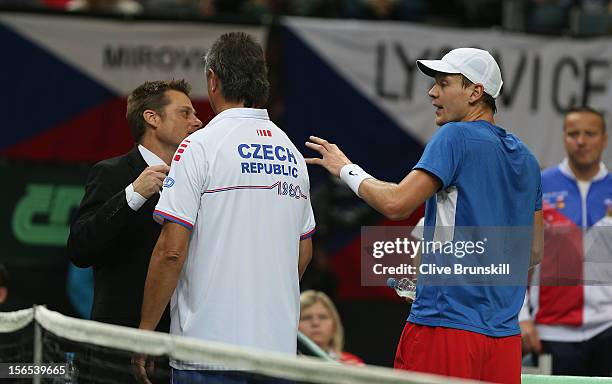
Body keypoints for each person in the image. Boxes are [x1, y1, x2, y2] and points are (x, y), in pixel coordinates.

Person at [305, 47, 543, 383]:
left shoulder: (454, 136)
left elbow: (397, 203)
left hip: (445, 326)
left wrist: (347, 170)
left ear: (476, 92)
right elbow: (532, 252)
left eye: (444, 83)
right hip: (503, 338)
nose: (432, 92)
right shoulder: (528, 160)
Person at [134, 32, 315, 383]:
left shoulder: (199, 147)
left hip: (207, 354)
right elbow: (303, 252)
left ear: (213, 80)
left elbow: (171, 251)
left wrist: (144, 331)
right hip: (277, 355)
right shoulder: (293, 154)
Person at [67, 79, 202, 381]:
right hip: (119, 348)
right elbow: (80, 248)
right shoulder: (111, 173)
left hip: (186, 343)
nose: (198, 120)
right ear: (152, 118)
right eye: (186, 113)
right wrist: (133, 194)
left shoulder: (201, 180)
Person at [520, 106, 612, 376]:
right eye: (573, 133)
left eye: (589, 133)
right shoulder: (539, 185)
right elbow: (514, 254)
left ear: (604, 138)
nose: (581, 140)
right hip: (551, 331)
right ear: (563, 137)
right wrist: (522, 317)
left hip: (608, 327)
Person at [299, 290, 363, 365]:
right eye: (307, 317)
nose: (315, 323)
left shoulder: (353, 364)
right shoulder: (286, 360)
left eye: (322, 317)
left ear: (334, 325)